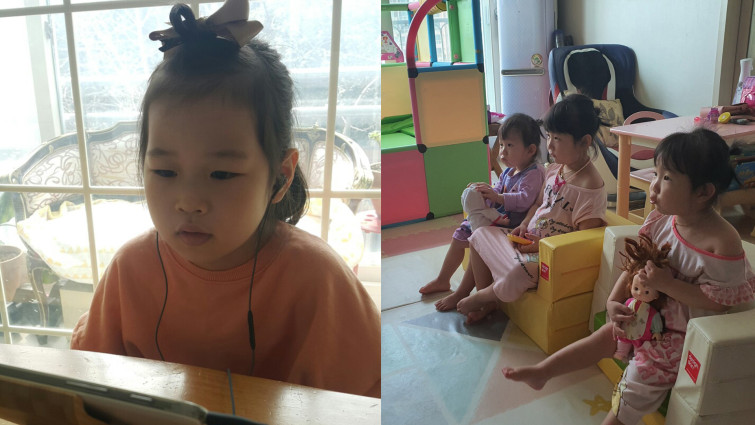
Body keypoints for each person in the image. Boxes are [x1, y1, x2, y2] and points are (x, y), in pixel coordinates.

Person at [70, 0, 380, 398]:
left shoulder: (318, 279)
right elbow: (89, 385)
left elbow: (364, 401)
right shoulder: (129, 270)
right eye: (164, 171)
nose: (188, 202)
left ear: (280, 177)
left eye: (221, 174)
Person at [502, 128, 755, 425]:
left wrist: (667, 284)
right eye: (656, 174)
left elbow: (718, 302)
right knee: (604, 335)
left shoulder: (721, 242)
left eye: (666, 178)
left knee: (636, 382)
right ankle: (543, 372)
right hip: (646, 314)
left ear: (703, 192)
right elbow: (636, 264)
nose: (653, 186)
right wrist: (613, 300)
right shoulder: (662, 220)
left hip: (680, 337)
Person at [440, 93, 607, 322]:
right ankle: (488, 299)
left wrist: (542, 246)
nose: (550, 145)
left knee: (517, 272)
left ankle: (485, 297)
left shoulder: (590, 187)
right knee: (479, 235)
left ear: (585, 142)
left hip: (546, 257)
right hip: (525, 241)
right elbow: (538, 203)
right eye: (549, 136)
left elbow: (583, 242)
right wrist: (525, 225)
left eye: (557, 139)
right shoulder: (555, 169)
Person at [419, 113, 545, 295]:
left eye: (510, 146)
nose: (502, 152)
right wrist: (484, 192)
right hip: (497, 217)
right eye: (501, 145)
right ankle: (443, 279)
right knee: (460, 235)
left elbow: (524, 199)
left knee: (476, 239)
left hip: (512, 226)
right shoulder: (509, 171)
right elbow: (498, 189)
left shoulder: (534, 173)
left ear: (531, 150)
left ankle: (471, 292)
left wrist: (498, 197)